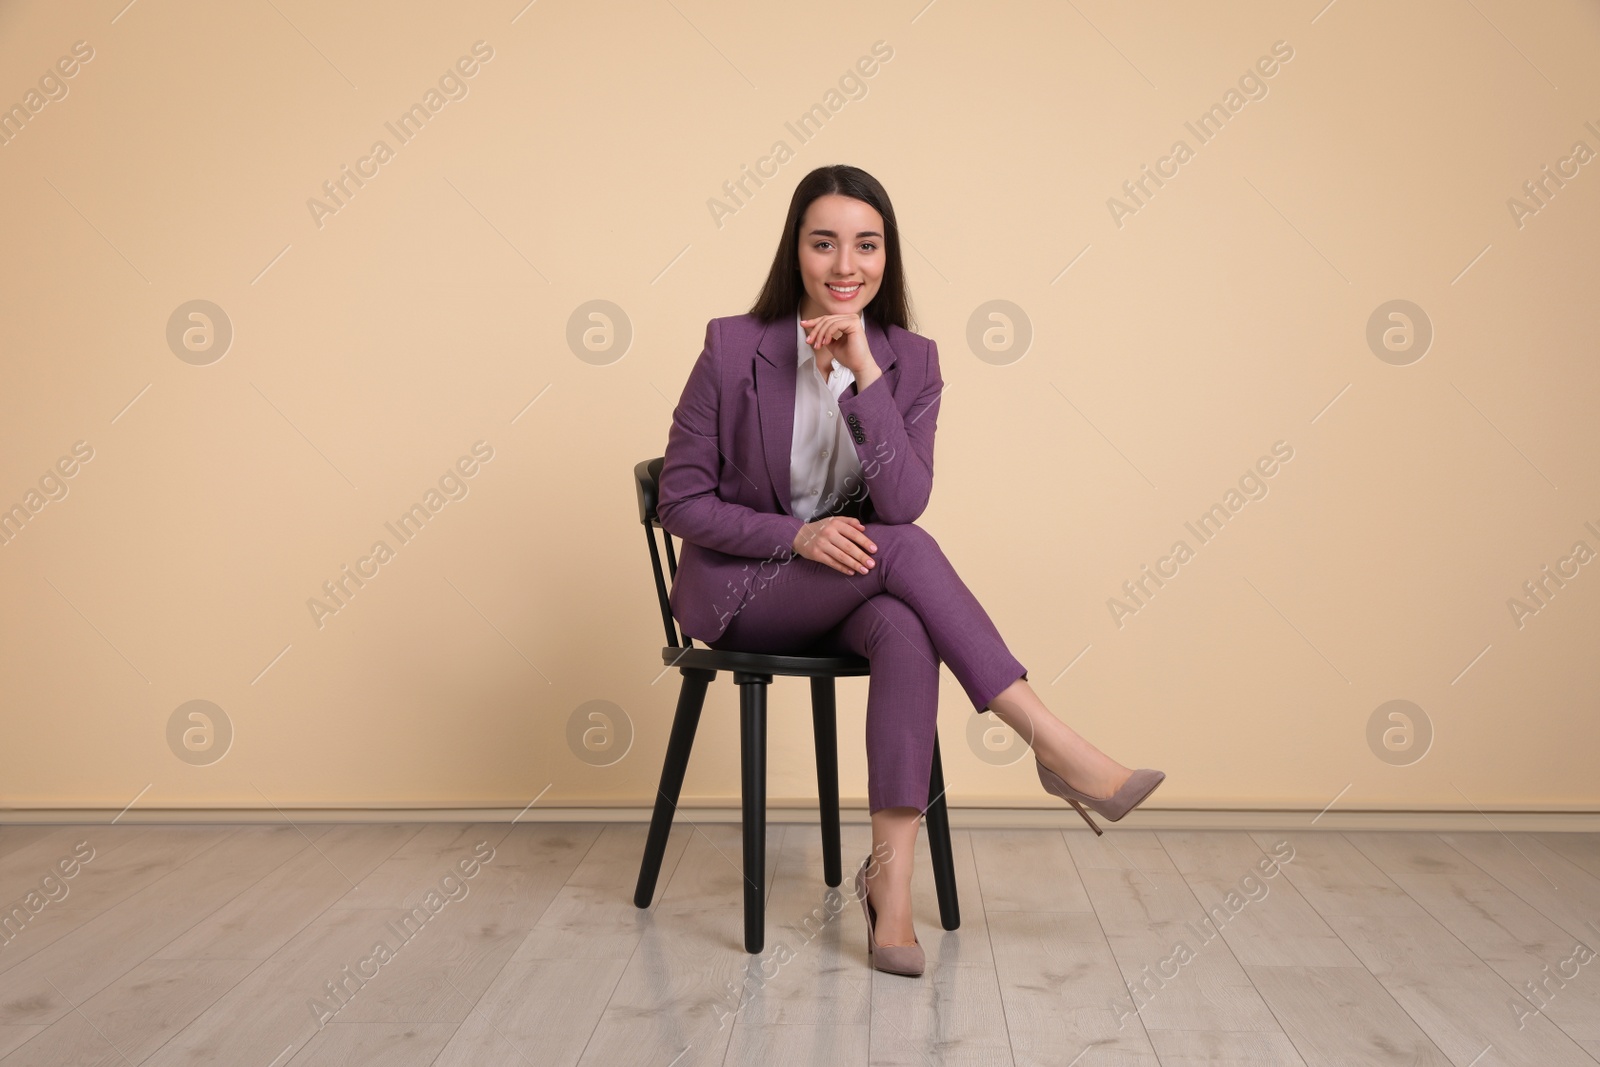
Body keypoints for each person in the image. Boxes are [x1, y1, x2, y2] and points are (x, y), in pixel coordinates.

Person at [656, 164, 1164, 977]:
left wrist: (865, 373)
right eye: (824, 243)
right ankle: (1056, 746)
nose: (845, 265)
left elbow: (903, 499)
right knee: (910, 556)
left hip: (855, 583)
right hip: (744, 591)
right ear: (796, 250)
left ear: (888, 256)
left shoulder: (909, 360)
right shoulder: (732, 345)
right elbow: (679, 501)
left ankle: (889, 894)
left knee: (904, 625)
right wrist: (797, 536)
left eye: (866, 244)